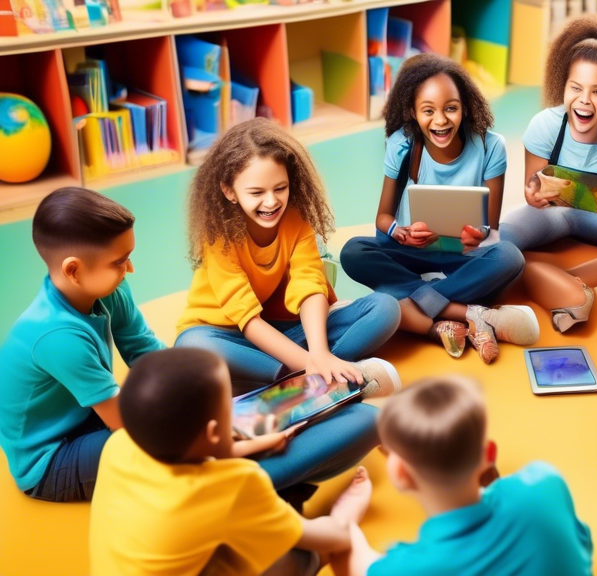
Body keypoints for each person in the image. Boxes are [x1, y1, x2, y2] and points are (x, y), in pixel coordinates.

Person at [174, 118, 399, 493]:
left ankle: (310, 381)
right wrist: (311, 362)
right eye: (256, 192)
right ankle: (319, 381)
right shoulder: (219, 237)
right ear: (229, 190)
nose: (271, 201)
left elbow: (310, 284)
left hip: (277, 334)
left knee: (384, 309)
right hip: (226, 338)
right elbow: (245, 318)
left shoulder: (295, 221)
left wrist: (321, 353)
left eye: (280, 188)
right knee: (192, 348)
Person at [90, 347, 376, 576]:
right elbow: (313, 536)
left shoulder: (118, 444)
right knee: (294, 557)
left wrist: (257, 443)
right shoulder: (233, 485)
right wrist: (344, 526)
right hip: (242, 526)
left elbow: (206, 456)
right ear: (214, 431)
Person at [340, 54, 538, 364]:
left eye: (451, 109)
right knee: (353, 251)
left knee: (510, 256)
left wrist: (480, 237)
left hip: (464, 257)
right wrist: (399, 232)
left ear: (465, 107)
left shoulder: (490, 147)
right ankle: (471, 311)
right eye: (428, 111)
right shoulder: (402, 144)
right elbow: (383, 218)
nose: (441, 120)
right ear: (413, 113)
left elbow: (492, 231)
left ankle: (417, 300)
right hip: (414, 252)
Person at [0, 187, 164, 502]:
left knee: (172, 412)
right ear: (74, 271)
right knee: (166, 448)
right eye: (119, 261)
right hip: (49, 459)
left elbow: (145, 349)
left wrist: (192, 390)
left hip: (81, 414)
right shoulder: (58, 337)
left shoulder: (111, 290)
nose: (129, 269)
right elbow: (122, 425)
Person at [339, 376, 594, 576]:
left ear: (400, 472)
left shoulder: (402, 569)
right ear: (489, 454)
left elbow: (355, 562)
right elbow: (583, 547)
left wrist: (346, 522)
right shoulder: (545, 483)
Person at [500, 14, 597, 333]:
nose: (584, 100)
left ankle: (569, 281)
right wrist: (533, 193)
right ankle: (545, 280)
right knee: (498, 241)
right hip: (553, 214)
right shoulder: (545, 124)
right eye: (576, 88)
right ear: (564, 86)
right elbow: (532, 184)